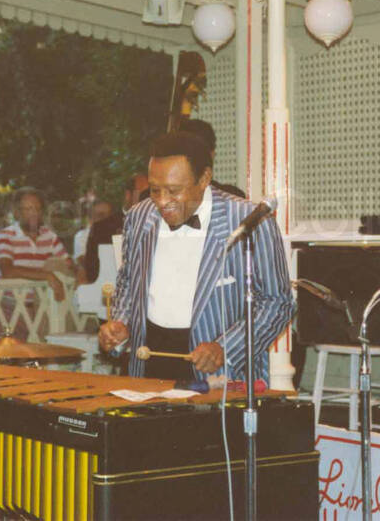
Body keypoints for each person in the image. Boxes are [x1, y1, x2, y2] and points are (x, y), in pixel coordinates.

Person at [98, 132, 294, 381]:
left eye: (173, 191)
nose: (162, 202)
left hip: (218, 372)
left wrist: (225, 348)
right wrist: (121, 323)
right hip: (148, 360)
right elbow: (127, 282)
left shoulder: (249, 221)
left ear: (204, 179)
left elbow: (278, 302)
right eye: (155, 190)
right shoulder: (138, 216)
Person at [0, 187, 70, 302]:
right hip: (12, 306)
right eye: (28, 209)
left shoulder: (50, 236)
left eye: (38, 209)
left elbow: (68, 263)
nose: (34, 213)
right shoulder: (6, 235)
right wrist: (47, 276)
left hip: (43, 307)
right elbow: (7, 271)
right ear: (17, 212)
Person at [80, 174, 149, 284]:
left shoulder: (161, 227)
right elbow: (91, 272)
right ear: (128, 195)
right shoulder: (101, 229)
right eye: (143, 194)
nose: (148, 199)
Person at [73, 200, 113, 281]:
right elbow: (84, 262)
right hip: (93, 279)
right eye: (101, 215)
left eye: (108, 215)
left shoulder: (118, 235)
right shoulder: (82, 236)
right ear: (91, 218)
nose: (105, 219)